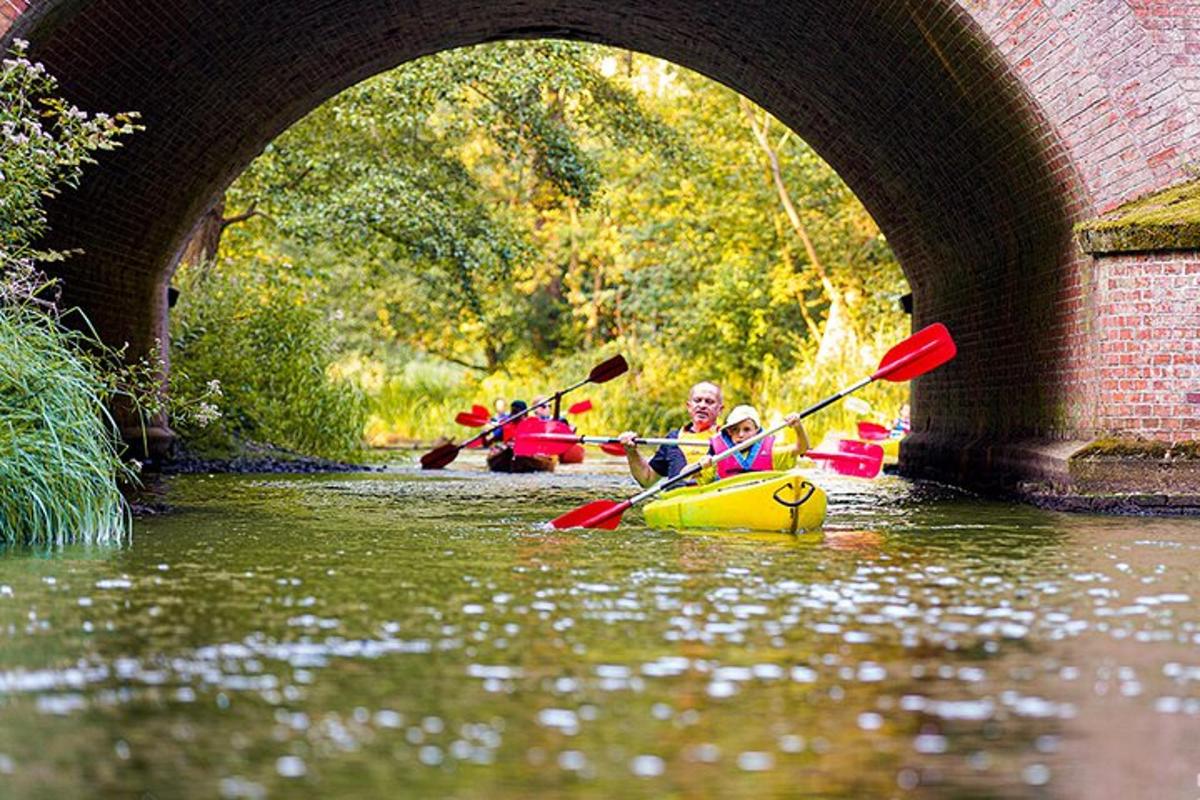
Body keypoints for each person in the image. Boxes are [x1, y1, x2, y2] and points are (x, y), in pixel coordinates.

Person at [618, 381, 723, 488]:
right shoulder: (672, 439)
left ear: (720, 410)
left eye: (709, 402)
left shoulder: (728, 437)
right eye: (697, 400)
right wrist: (631, 451)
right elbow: (646, 479)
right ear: (689, 406)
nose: (702, 405)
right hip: (677, 499)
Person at [699, 404, 810, 481]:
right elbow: (689, 475)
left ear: (757, 431)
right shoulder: (717, 458)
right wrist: (702, 465)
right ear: (729, 432)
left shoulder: (772, 454)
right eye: (735, 430)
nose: (741, 435)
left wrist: (798, 427)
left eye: (747, 429)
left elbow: (802, 448)